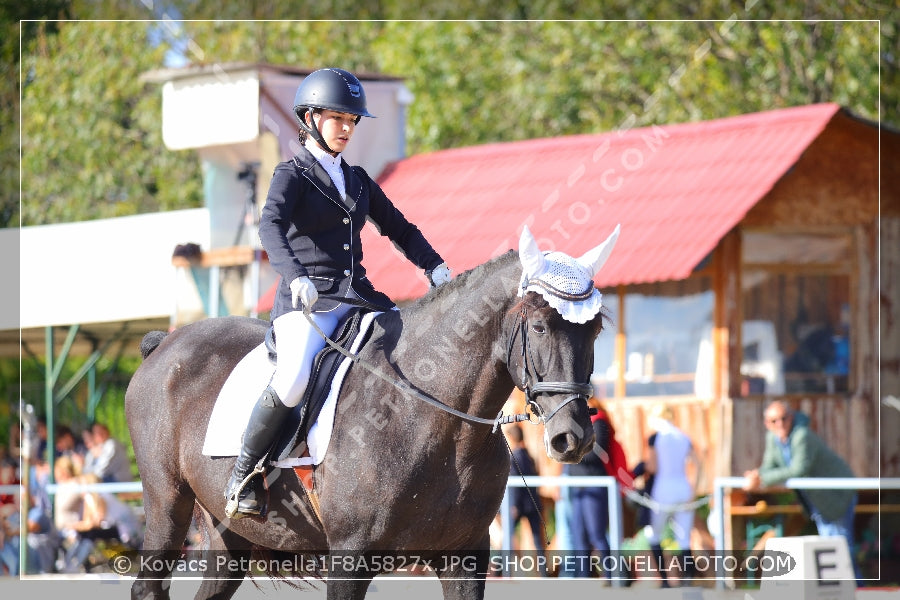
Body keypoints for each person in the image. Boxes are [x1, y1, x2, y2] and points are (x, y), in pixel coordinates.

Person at [224, 67, 451, 519]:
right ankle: (243, 475)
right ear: (310, 117)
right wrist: (294, 275)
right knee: (291, 378)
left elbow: (400, 229)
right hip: (306, 302)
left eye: (352, 121)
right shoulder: (291, 174)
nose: (347, 128)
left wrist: (436, 266)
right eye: (338, 118)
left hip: (360, 298)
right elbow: (270, 226)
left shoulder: (359, 179)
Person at [743, 400, 861, 579]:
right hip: (818, 500)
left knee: (841, 550)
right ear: (767, 424)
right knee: (832, 550)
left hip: (836, 495)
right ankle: (842, 591)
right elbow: (769, 466)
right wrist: (756, 476)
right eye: (774, 421)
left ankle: (856, 590)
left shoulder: (802, 435)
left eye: (784, 418)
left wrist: (762, 479)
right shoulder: (773, 438)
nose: (780, 424)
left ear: (791, 417)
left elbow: (798, 469)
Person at [643, 403, 700, 588]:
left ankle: (666, 581)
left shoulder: (656, 438)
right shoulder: (683, 437)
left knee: (653, 534)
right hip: (683, 488)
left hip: (662, 489)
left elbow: (652, 466)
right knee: (684, 537)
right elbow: (699, 464)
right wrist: (694, 488)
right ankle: (687, 579)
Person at [564, 398, 618, 579]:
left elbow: (596, 454)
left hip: (594, 485)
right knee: (579, 537)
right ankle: (583, 578)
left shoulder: (600, 422)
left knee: (597, 535)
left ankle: (611, 576)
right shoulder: (578, 424)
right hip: (579, 487)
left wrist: (573, 453)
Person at [505, 425, 545, 563]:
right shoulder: (529, 456)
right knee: (538, 541)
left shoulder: (513, 458)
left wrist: (514, 505)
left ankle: (497, 571)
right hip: (533, 503)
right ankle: (544, 574)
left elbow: (515, 484)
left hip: (520, 505)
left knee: (507, 536)